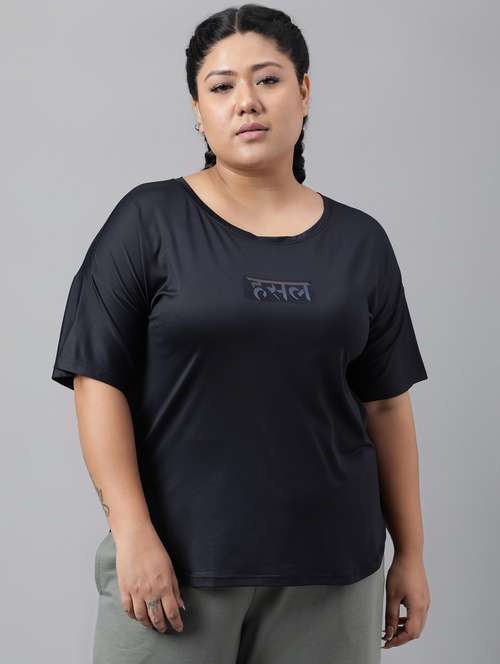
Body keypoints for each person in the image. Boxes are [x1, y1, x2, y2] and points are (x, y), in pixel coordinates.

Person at [51, 4, 431, 663]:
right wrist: (133, 533)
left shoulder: (361, 243)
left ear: (304, 92)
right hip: (176, 569)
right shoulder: (147, 221)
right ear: (198, 111)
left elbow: (387, 406)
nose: (246, 101)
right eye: (221, 86)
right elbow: (96, 381)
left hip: (334, 573)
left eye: (268, 80)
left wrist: (412, 554)